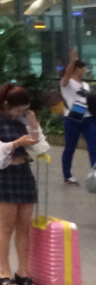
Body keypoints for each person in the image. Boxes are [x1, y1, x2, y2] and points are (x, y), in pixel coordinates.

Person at [0, 83, 48, 285]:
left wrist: (33, 123)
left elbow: (40, 147)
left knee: (25, 227)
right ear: (7, 105)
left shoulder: (22, 121)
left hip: (24, 174)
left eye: (24, 110)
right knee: (7, 227)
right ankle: (4, 272)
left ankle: (24, 272)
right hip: (5, 174)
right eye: (19, 110)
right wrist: (15, 144)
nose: (21, 113)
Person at [59, 48, 93, 186]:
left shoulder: (85, 84)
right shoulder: (66, 83)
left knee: (93, 145)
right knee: (70, 147)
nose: (83, 70)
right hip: (72, 119)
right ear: (75, 69)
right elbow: (67, 75)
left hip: (88, 118)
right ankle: (67, 174)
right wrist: (72, 61)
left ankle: (94, 173)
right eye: (81, 68)